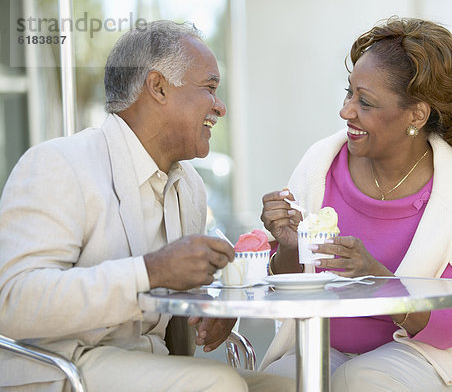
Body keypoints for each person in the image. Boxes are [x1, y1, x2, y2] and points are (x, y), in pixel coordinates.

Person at [0, 20, 293, 392]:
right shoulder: (60, 163)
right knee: (219, 384)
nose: (220, 106)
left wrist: (219, 311)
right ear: (158, 87)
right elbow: (12, 302)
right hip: (63, 365)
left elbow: (178, 302)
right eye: (210, 88)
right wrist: (151, 271)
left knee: (290, 385)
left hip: (149, 364)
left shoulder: (189, 187)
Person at [259, 17, 452, 392]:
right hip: (324, 343)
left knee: (363, 379)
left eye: (365, 102)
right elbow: (284, 289)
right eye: (349, 93)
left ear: (416, 114)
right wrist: (288, 246)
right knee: (278, 383)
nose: (346, 111)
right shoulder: (320, 164)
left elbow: (450, 326)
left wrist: (377, 279)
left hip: (429, 355)